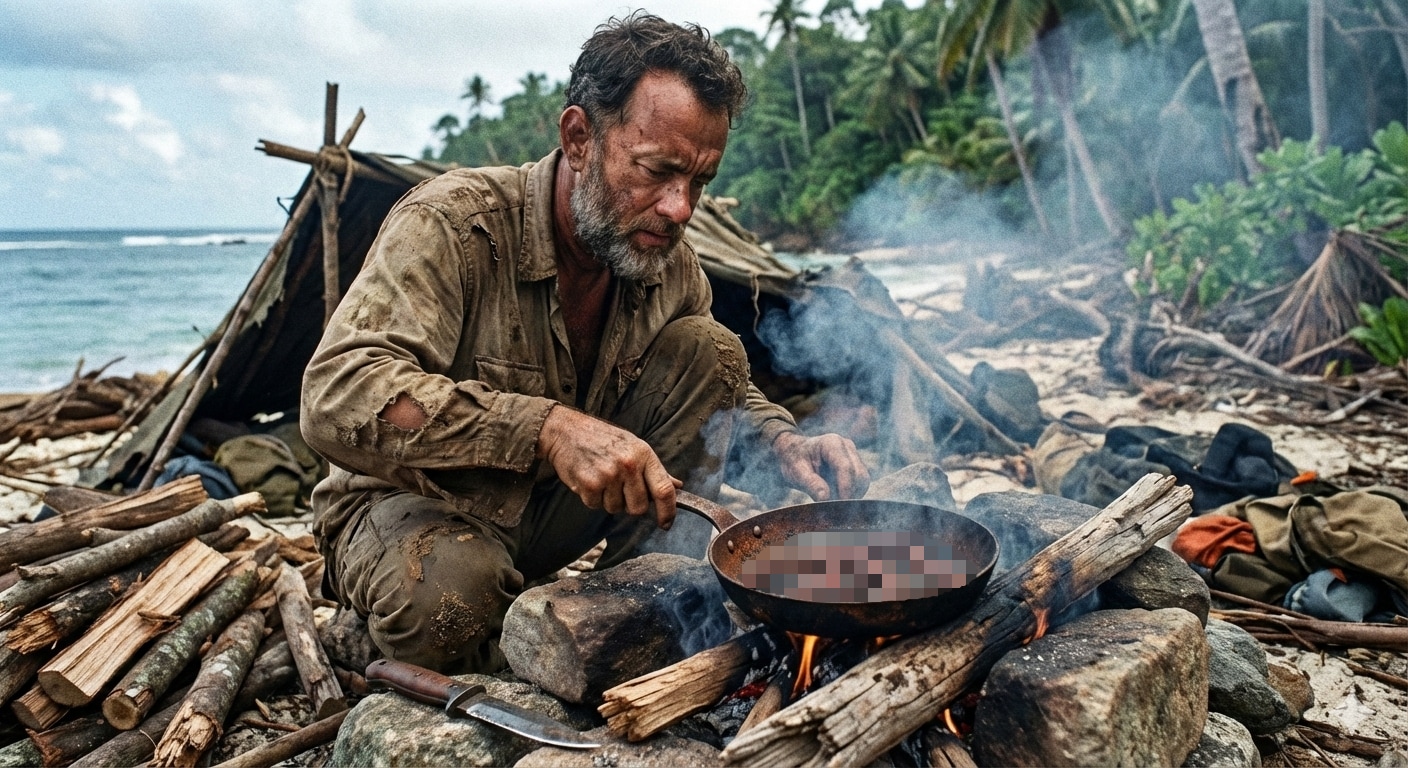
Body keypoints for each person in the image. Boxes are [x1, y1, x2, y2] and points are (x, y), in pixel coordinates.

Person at [300, 12, 869, 674]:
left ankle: (631, 610)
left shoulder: (663, 257)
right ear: (578, 138)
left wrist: (783, 440)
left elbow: (724, 388)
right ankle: (364, 640)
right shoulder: (451, 226)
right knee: (453, 602)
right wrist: (547, 429)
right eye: (657, 171)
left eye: (699, 182)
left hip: (547, 519)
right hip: (408, 506)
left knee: (710, 348)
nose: (681, 208)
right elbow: (336, 393)